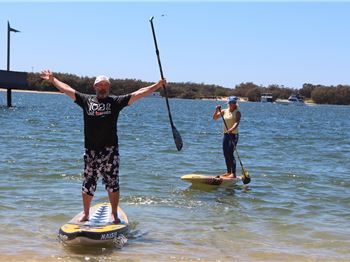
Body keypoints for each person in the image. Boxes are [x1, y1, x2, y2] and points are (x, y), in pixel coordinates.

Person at [40, 70, 166, 223]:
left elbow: (138, 93)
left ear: (109, 88)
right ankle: (86, 214)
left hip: (110, 150)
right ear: (95, 87)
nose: (103, 88)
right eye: (100, 85)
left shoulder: (115, 102)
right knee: (88, 182)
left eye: (105, 85)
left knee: (112, 182)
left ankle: (114, 213)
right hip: (91, 150)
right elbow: (67, 89)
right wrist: (53, 80)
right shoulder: (86, 100)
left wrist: (157, 85)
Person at [212, 96, 241, 178]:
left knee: (230, 153)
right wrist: (217, 110)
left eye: (233, 103)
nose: (231, 104)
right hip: (226, 135)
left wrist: (231, 129)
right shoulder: (224, 111)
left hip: (233, 135)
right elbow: (214, 118)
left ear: (235, 104)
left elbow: (236, 123)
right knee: (225, 153)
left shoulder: (237, 112)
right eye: (230, 103)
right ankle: (228, 172)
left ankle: (233, 173)